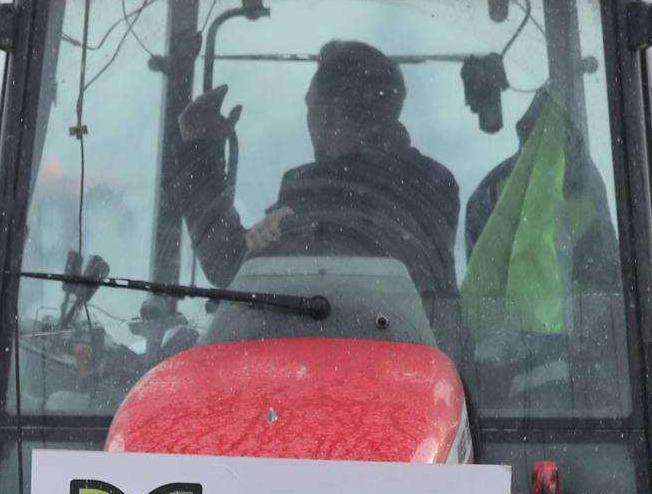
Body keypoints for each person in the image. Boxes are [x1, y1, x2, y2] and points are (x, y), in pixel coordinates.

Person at [164, 40, 461, 311]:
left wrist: (201, 148)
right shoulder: (437, 182)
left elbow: (226, 263)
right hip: (416, 357)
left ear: (327, 112)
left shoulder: (314, 187)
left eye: (310, 104)